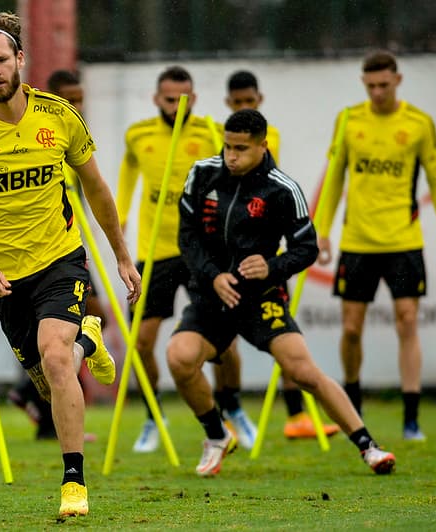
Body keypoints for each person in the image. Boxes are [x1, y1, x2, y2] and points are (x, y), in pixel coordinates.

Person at [0, 13, 140, 517]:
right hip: (2, 275)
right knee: (46, 380)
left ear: (20, 59)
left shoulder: (59, 114)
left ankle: (73, 484)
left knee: (56, 357)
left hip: (61, 259)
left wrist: (121, 256)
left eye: (2, 59)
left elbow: (96, 187)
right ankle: (89, 338)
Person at [168, 108, 395, 477]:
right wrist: (212, 276)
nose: (231, 156)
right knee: (179, 357)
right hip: (214, 295)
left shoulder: (282, 188)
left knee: (303, 371)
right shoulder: (202, 173)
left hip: (261, 298)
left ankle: (368, 446)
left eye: (240, 148)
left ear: (263, 146)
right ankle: (216, 435)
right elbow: (187, 236)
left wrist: (271, 267)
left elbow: (306, 248)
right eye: (227, 147)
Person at [317, 50, 436, 441]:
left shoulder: (418, 124)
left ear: (398, 81)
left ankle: (411, 418)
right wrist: (322, 231)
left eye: (384, 85)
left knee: (408, 321)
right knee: (350, 329)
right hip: (357, 241)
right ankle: (354, 409)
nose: (377, 92)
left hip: (403, 240)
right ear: (364, 84)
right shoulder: (348, 120)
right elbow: (333, 180)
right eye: (370, 86)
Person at [116, 66, 258, 452]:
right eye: (168, 99)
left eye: (184, 99)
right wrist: (122, 212)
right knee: (142, 342)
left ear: (194, 99)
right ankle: (152, 414)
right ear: (155, 99)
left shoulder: (213, 133)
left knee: (224, 342)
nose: (176, 106)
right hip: (154, 251)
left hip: (200, 252)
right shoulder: (138, 134)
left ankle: (232, 408)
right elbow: (128, 170)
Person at [220, 70, 339, 440]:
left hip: (263, 255)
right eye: (237, 103)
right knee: (221, 340)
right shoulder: (220, 141)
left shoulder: (271, 141)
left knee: (283, 335)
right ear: (228, 104)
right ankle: (229, 411)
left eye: (249, 101)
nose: (244, 107)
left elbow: (268, 191)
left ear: (260, 100)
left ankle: (295, 413)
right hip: (228, 255)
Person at [7, 69, 105, 442]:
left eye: (81, 98)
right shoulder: (43, 133)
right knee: (59, 337)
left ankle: (38, 404)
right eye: (70, 97)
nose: (76, 104)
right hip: (29, 255)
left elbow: (92, 189)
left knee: (73, 328)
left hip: (65, 250)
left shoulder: (73, 131)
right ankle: (36, 396)